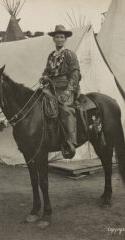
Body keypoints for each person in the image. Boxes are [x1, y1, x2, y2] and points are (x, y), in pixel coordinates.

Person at [40, 25, 81, 159]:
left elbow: (75, 74)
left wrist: (69, 91)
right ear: (54, 39)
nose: (59, 39)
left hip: (66, 87)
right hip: (51, 87)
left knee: (65, 109)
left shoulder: (70, 54)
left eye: (62, 37)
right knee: (38, 102)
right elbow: (47, 70)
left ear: (65, 39)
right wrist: (44, 76)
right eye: (57, 37)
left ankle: (70, 143)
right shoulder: (51, 55)